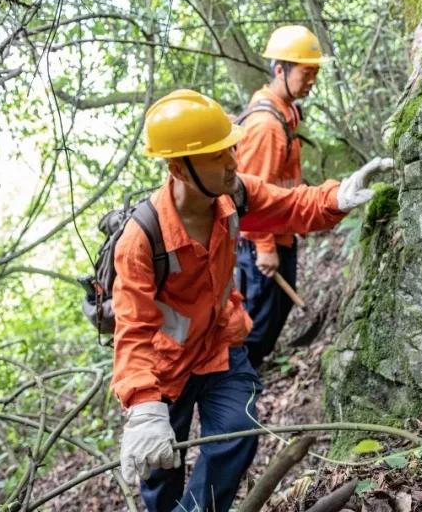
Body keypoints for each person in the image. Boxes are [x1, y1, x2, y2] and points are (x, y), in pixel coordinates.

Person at [114, 89, 392, 512]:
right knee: (160, 470)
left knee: (237, 434)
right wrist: (144, 406)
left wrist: (335, 197)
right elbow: (132, 329)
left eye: (230, 149)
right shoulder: (141, 240)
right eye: (215, 156)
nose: (232, 162)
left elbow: (290, 206)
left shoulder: (232, 196)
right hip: (164, 369)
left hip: (221, 347)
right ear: (179, 170)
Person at [235, 24, 326, 368]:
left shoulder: (285, 111)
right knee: (254, 327)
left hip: (281, 232)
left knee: (273, 314)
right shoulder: (266, 125)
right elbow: (251, 193)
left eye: (315, 72)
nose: (312, 79)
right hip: (261, 244)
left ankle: (248, 375)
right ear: (280, 70)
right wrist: (265, 247)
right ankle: (239, 391)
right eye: (306, 72)